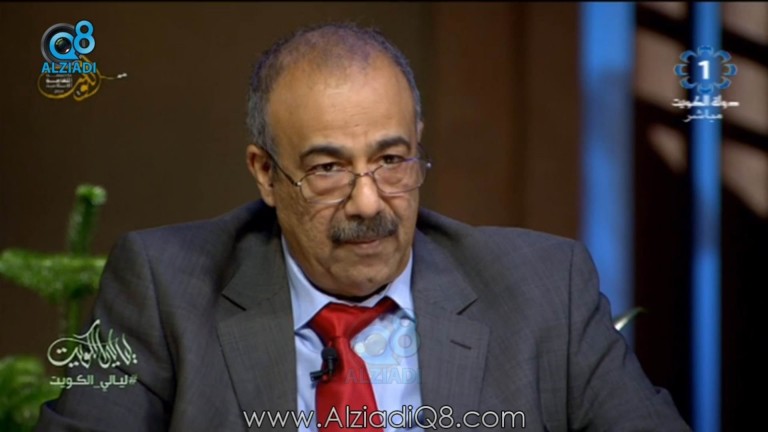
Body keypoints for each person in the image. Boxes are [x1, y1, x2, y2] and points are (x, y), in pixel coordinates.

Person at [36, 23, 690, 431]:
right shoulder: (164, 288)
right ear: (265, 173)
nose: (369, 203)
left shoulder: (546, 288)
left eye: (392, 160)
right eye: (328, 169)